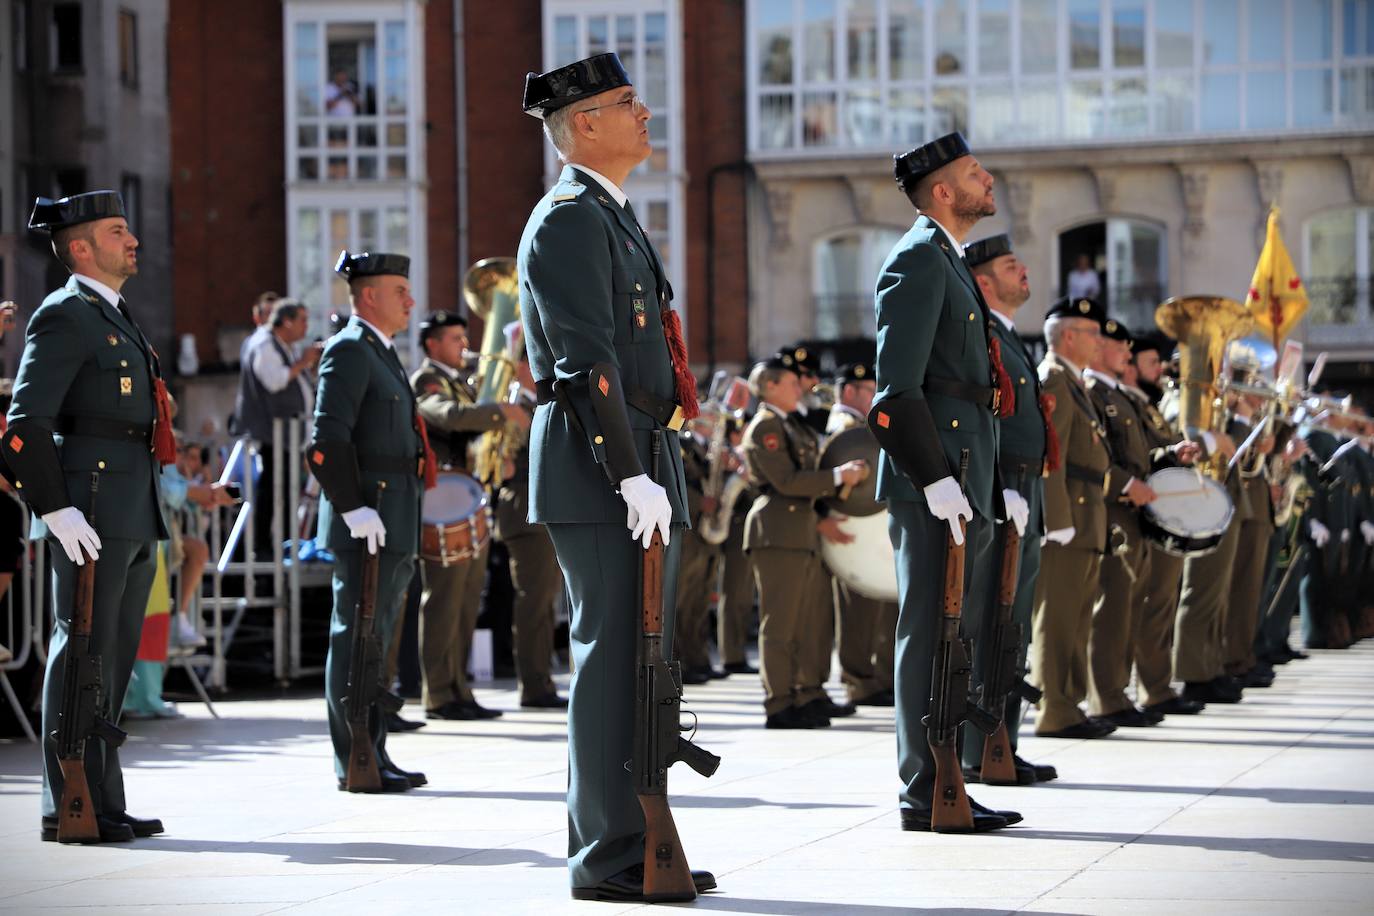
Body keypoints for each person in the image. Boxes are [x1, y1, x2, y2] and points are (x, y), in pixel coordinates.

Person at [518, 51, 711, 901]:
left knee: (644, 657)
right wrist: (629, 474)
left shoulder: (614, 215)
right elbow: (587, 362)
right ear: (583, 123)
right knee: (609, 659)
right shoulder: (567, 218)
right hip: (602, 464)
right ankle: (605, 856)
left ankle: (635, 838)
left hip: (637, 452)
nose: (645, 112)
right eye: (626, 102)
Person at [869, 132, 1028, 833]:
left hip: (966, 475)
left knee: (951, 634)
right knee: (929, 631)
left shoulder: (950, 261)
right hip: (936, 479)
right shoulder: (917, 260)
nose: (987, 179)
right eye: (973, 173)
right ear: (942, 192)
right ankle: (922, 785)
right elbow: (894, 393)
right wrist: (935, 478)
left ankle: (947, 779)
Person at [6, 191, 171, 843]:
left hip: (130, 506)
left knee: (113, 664)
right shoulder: (65, 314)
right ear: (80, 248)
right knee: (80, 655)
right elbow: (23, 426)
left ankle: (103, 797)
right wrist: (55, 507)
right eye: (117, 231)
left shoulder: (116, 313)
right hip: (91, 511)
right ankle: (63, 801)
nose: (133, 240)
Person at [306, 249, 430, 793]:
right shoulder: (350, 350)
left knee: (375, 639)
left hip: (394, 512)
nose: (411, 301)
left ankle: (374, 748)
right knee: (354, 636)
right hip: (369, 515)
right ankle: (351, 755)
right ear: (370, 296)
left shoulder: (381, 351)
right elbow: (327, 440)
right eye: (400, 291)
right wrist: (352, 506)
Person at [960, 233, 1057, 784]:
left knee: (1013, 625)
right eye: (1009, 266)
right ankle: (977, 749)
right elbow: (988, 421)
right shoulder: (983, 337)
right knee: (989, 624)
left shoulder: (1009, 336)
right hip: (1005, 492)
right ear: (982, 282)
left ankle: (1004, 744)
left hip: (1027, 493)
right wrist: (1000, 488)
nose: (1023, 272)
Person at [410, 310, 525, 720]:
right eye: (456, 339)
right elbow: (445, 416)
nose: (465, 345)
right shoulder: (428, 380)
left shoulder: (461, 380)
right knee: (443, 599)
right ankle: (438, 693)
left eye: (464, 337)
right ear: (432, 345)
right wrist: (498, 412)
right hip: (442, 500)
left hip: (467, 496)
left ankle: (460, 688)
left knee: (465, 600)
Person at [742, 354, 865, 729]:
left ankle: (803, 694)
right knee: (780, 625)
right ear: (771, 386)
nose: (801, 387)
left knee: (805, 624)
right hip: (778, 531)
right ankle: (779, 703)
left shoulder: (790, 425)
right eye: (792, 383)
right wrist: (838, 477)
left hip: (800, 530)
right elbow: (788, 482)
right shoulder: (766, 428)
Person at [1028, 296, 1115, 740]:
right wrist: (1054, 518)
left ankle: (1071, 704)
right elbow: (1051, 455)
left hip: (1087, 513)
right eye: (1092, 333)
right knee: (1057, 618)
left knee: (1078, 616)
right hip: (1070, 516)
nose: (1099, 341)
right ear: (1067, 336)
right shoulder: (1054, 380)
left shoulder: (1074, 381)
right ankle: (1054, 708)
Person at [1122, 335, 1207, 717]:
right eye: (1150, 362)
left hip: (1162, 517)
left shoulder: (1147, 406)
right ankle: (1148, 688)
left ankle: (1158, 686)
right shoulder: (1129, 403)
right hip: (1142, 516)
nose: (1160, 369)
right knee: (1148, 606)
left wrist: (1176, 453)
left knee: (1160, 605)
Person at [1082, 319, 1162, 727]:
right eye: (1119, 348)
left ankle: (1119, 693)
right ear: (1097, 349)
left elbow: (1140, 452)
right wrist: (1126, 484)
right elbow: (1096, 457)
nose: (1126, 355)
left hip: (1133, 510)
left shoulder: (1118, 393)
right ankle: (1106, 697)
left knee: (1128, 605)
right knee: (1111, 606)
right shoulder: (1091, 390)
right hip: (1111, 508)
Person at [493, 351, 566, 708]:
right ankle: (534, 684)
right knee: (533, 602)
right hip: (523, 508)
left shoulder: (540, 403)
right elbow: (497, 465)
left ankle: (542, 680)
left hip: (543, 508)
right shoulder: (508, 407)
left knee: (545, 601)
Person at [825, 360, 897, 708]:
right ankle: (858, 681)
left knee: (878, 607)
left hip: (868, 524)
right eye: (869, 390)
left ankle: (879, 678)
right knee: (857, 612)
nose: (874, 395)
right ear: (850, 391)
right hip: (848, 525)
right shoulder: (844, 424)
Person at [234, 298, 320, 554]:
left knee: (282, 495)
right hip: (272, 435)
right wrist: (303, 362)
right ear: (287, 321)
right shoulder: (263, 344)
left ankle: (276, 545)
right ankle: (260, 549)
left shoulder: (282, 345)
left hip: (287, 438)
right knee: (271, 494)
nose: (306, 326)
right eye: (303, 320)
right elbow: (274, 380)